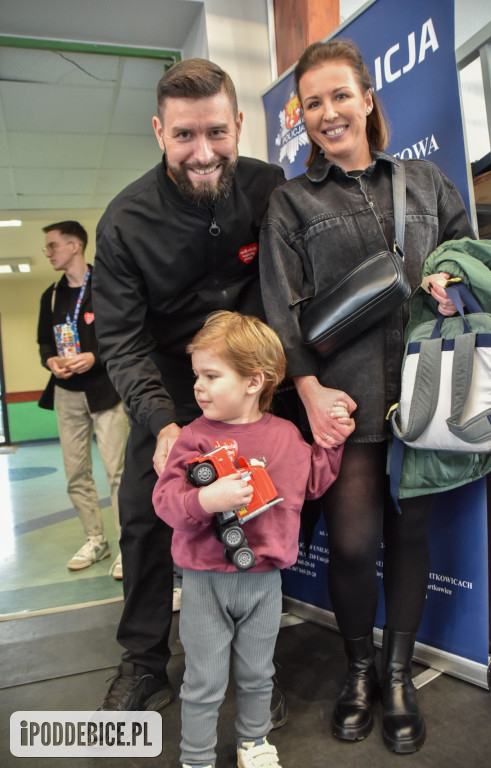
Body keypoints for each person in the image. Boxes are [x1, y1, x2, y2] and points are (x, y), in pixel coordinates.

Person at [259, 40, 475, 755]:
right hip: (342, 401)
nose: (328, 113)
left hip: (425, 391)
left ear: (368, 97)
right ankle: (359, 672)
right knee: (352, 544)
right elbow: (280, 309)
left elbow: (463, 254)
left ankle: (399, 672)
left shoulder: (427, 181)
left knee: (410, 534)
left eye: (339, 95)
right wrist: (311, 393)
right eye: (312, 103)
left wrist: (453, 283)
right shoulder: (291, 201)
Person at [91, 58, 287, 714]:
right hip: (171, 377)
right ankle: (144, 660)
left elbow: (287, 294)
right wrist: (164, 425)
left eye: (215, 132)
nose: (202, 153)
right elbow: (121, 339)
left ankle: (256, 660)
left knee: (267, 506)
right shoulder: (123, 222)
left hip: (255, 367)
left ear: (236, 124)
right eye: (183, 136)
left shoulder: (270, 190)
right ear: (158, 132)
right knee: (145, 510)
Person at [152, 311, 351, 768]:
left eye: (211, 375)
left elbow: (314, 482)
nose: (198, 386)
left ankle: (253, 744)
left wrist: (333, 440)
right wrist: (206, 499)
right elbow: (166, 501)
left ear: (253, 381)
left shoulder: (285, 436)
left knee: (259, 673)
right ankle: (196, 757)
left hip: (265, 582)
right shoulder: (193, 438)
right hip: (204, 583)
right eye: (197, 375)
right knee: (203, 679)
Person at [37, 220, 128, 578]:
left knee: (117, 471)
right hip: (67, 394)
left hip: (105, 391)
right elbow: (45, 341)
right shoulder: (52, 295)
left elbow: (122, 334)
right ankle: (95, 539)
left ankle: (126, 545)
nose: (48, 253)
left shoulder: (105, 288)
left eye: (53, 246)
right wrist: (51, 361)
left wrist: (94, 356)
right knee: (76, 473)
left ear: (75, 245)